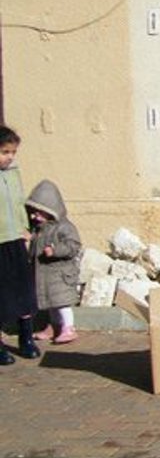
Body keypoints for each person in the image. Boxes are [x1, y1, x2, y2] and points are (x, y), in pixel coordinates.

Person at [0, 126, 39, 364]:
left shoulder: (13, 173)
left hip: (15, 239)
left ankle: (26, 338)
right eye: (5, 152)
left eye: (13, 152)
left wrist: (25, 228)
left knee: (23, 291)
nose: (10, 156)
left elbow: (18, 201)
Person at [27, 179, 82, 345]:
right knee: (51, 304)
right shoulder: (40, 229)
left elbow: (73, 246)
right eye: (33, 212)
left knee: (62, 304)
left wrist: (55, 251)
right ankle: (54, 326)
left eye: (38, 213)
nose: (34, 216)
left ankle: (68, 327)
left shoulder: (64, 227)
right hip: (45, 275)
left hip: (59, 274)